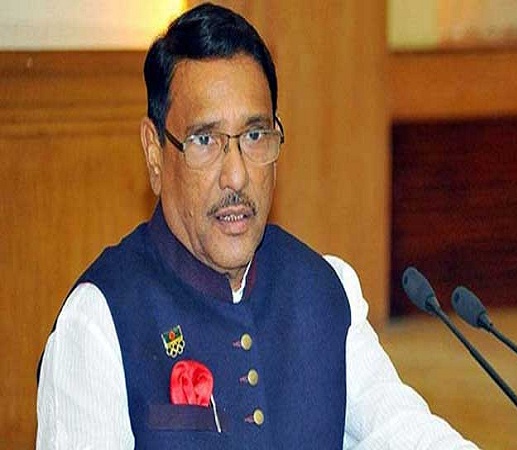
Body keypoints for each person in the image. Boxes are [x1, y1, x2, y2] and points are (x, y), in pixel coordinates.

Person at [36, 3, 479, 449]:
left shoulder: (324, 289)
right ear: (155, 153)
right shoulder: (99, 322)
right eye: (205, 140)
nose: (236, 176)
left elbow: (400, 428)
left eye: (254, 136)